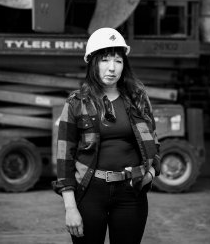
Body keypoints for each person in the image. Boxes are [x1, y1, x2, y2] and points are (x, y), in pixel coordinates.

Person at [52, 27, 160, 244]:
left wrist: (149, 174)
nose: (112, 68)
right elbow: (64, 158)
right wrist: (70, 207)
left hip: (131, 194)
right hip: (90, 193)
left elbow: (155, 144)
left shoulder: (137, 97)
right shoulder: (76, 102)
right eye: (105, 60)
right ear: (93, 62)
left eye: (118, 60)